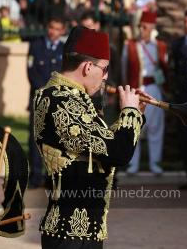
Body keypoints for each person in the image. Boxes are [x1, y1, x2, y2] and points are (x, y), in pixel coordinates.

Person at [33, 26, 151, 249]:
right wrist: (129, 114)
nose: (106, 77)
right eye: (104, 69)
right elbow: (118, 153)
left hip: (74, 232)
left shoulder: (61, 97)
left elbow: (100, 146)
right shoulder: (64, 104)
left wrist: (135, 115)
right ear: (88, 67)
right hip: (70, 236)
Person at [122, 11, 168, 174]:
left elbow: (165, 69)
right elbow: (124, 69)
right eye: (141, 26)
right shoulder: (130, 45)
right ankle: (133, 164)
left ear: (152, 28)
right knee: (135, 125)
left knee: (156, 127)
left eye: (145, 27)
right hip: (136, 89)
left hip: (154, 88)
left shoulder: (160, 46)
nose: (142, 30)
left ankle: (155, 163)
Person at [27, 17, 66, 188]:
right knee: (36, 137)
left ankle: (52, 176)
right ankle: (36, 175)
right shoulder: (36, 45)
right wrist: (42, 90)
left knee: (54, 138)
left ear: (62, 31)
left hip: (55, 100)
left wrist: (53, 92)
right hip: (38, 98)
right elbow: (30, 70)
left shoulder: (64, 50)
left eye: (57, 28)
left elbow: (64, 74)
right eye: (51, 27)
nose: (53, 31)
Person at [172, 9, 187, 189]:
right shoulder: (179, 44)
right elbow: (174, 71)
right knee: (186, 140)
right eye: (185, 21)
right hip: (183, 101)